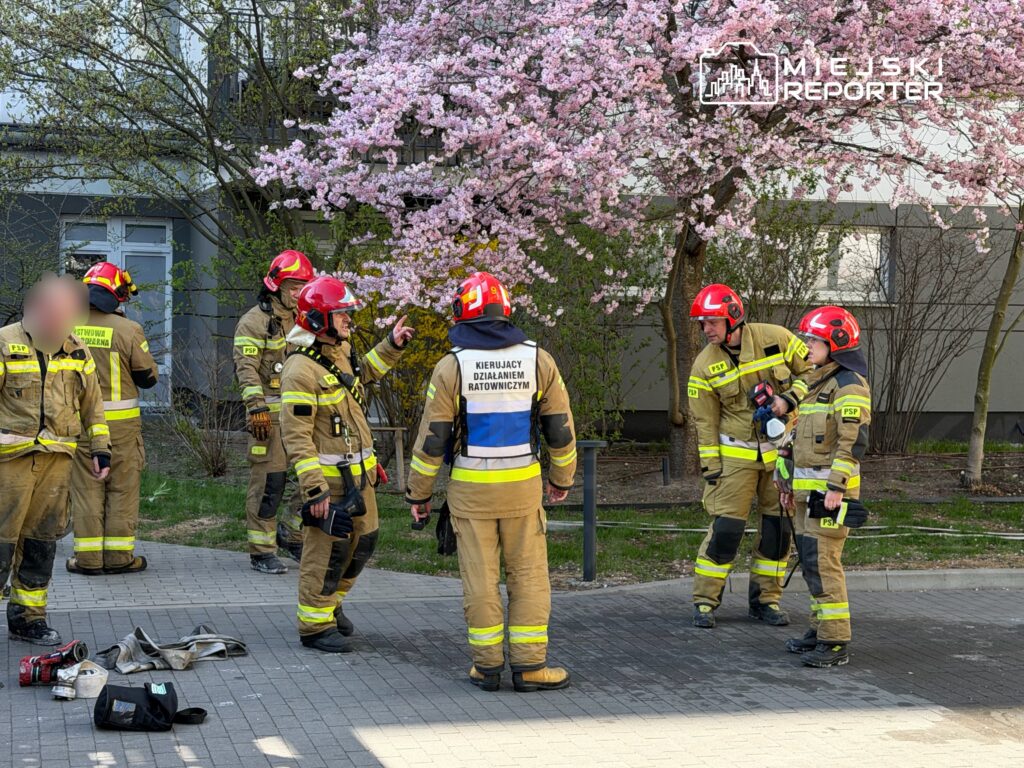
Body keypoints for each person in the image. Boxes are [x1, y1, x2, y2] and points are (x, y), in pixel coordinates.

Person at [406, 272, 577, 693]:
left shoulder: (451, 366)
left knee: (480, 580)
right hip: (523, 490)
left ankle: (486, 667)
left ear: (463, 313)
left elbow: (433, 440)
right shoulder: (538, 360)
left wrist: (419, 494)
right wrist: (562, 479)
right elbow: (560, 429)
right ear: (505, 311)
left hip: (471, 494)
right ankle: (530, 666)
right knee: (528, 576)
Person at [280, 275, 413, 652]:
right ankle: (314, 626)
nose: (348, 319)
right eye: (341, 314)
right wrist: (314, 490)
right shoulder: (299, 371)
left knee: (363, 543)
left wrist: (391, 346)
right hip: (329, 485)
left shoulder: (340, 350)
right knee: (327, 553)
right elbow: (296, 436)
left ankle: (330, 605)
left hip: (360, 477)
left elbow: (361, 376)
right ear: (319, 319)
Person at [687, 283, 811, 628]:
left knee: (777, 530)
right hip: (735, 458)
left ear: (733, 318)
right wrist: (711, 468)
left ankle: (766, 601)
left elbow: (813, 371)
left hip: (781, 454)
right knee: (726, 530)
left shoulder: (776, 338)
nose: (706, 329)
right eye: (702, 323)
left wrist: (789, 399)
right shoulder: (704, 365)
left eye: (712, 322)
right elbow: (704, 422)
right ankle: (704, 601)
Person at [0, 274, 110, 645]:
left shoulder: (77, 349)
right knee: (1, 542)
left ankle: (28, 618)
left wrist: (101, 448)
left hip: (57, 461)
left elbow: (93, 405)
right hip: (10, 462)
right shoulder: (5, 342)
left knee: (41, 542)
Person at [776, 305, 871, 668]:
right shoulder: (819, 383)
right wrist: (785, 481)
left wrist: (836, 488)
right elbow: (797, 438)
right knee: (811, 564)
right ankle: (819, 630)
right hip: (807, 495)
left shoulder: (848, 385)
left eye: (814, 340)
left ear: (836, 344)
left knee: (824, 564)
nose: (807, 346)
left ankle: (834, 641)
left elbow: (852, 442)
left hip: (828, 497)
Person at [66, 262, 159, 575]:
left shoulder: (67, 328)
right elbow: (148, 378)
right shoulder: (128, 329)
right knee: (122, 490)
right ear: (116, 294)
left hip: (81, 426)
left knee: (86, 490)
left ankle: (88, 560)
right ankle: (119, 558)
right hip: (122, 428)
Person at [233, 250, 315, 574]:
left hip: (302, 416)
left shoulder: (304, 320)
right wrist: (256, 409)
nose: (299, 293)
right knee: (270, 484)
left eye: (303, 287)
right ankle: (262, 550)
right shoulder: (253, 322)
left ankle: (292, 533)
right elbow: (246, 369)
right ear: (276, 287)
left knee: (316, 476)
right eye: (294, 287)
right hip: (268, 417)